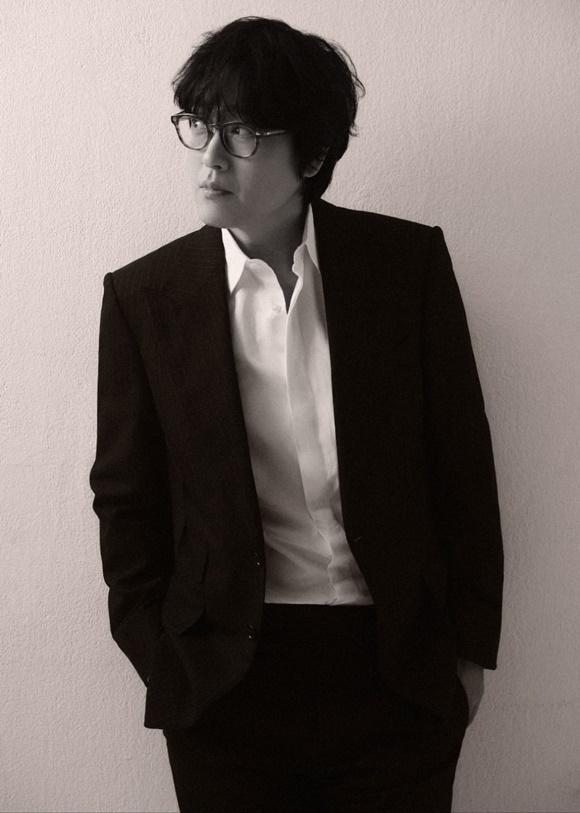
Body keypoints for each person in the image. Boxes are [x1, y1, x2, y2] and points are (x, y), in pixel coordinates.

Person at [89, 15, 504, 813]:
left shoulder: (405, 268)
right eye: (200, 125)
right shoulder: (145, 298)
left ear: (311, 156)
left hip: (395, 669)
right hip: (227, 680)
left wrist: (469, 649)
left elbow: (463, 463)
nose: (210, 157)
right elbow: (124, 496)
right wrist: (162, 655)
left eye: (242, 132)